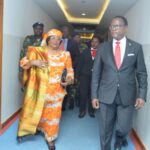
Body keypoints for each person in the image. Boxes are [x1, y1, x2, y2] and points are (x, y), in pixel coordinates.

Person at [91, 16, 147, 150]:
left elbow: (141, 73)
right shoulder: (103, 48)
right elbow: (96, 73)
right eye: (112, 26)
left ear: (125, 28)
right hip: (105, 95)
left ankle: (120, 138)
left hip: (127, 95)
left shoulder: (136, 48)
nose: (113, 29)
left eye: (117, 26)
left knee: (124, 127)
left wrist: (141, 95)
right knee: (105, 129)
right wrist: (94, 96)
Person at [17, 29, 74, 150]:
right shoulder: (38, 52)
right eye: (53, 38)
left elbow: (70, 71)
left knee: (54, 116)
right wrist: (33, 62)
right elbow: (22, 62)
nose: (55, 41)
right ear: (47, 40)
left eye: (58, 39)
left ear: (61, 41)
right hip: (39, 91)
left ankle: (50, 138)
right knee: (38, 112)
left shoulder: (65, 54)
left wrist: (68, 79)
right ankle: (36, 128)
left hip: (57, 92)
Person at [76, 36, 101, 118]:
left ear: (99, 43)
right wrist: (77, 76)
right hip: (84, 76)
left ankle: (91, 111)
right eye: (93, 41)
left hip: (96, 78)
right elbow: (80, 64)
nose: (94, 43)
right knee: (83, 94)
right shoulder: (85, 52)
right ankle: (82, 111)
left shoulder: (101, 53)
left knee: (93, 94)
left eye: (96, 42)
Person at [60, 26, 80, 110]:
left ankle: (63, 106)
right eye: (63, 31)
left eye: (66, 31)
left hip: (68, 69)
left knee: (67, 87)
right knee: (58, 87)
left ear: (69, 33)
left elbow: (77, 56)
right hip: (57, 68)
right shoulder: (57, 41)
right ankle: (58, 104)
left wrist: (71, 66)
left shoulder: (73, 43)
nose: (64, 33)